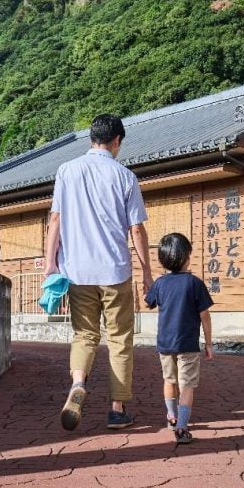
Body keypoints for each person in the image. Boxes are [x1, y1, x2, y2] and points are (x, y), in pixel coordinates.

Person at [43, 114, 153, 431]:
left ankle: (78, 383)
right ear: (116, 140)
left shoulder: (67, 171)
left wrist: (51, 264)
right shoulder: (125, 176)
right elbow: (137, 230)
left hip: (77, 272)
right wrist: (147, 272)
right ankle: (117, 410)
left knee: (84, 335)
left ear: (92, 138)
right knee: (119, 340)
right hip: (115, 272)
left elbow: (55, 221)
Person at [144, 232, 214, 444]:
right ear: (187, 257)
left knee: (169, 380)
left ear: (163, 260)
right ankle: (182, 428)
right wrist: (209, 343)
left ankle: (172, 416)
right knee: (187, 385)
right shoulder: (195, 283)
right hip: (188, 345)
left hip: (165, 344)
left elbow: (149, 302)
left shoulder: (160, 283)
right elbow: (205, 316)